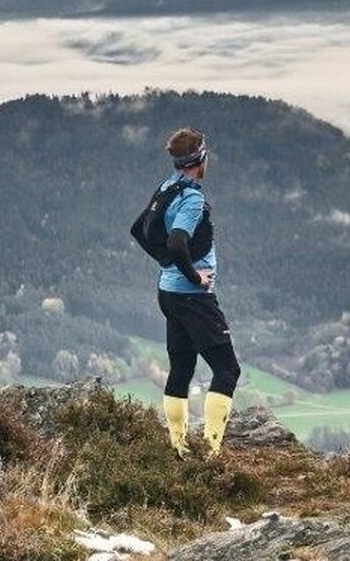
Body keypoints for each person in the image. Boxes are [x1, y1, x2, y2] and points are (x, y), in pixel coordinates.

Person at [154, 127, 241, 457]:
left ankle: (180, 447)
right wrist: (195, 276)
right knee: (228, 370)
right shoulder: (191, 198)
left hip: (169, 293)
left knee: (181, 368)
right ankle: (212, 452)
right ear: (200, 158)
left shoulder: (167, 188)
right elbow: (177, 241)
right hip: (192, 297)